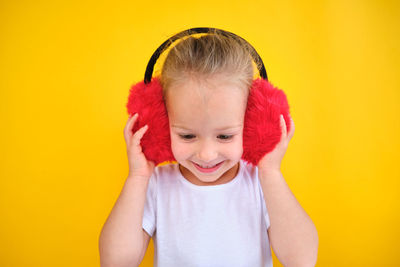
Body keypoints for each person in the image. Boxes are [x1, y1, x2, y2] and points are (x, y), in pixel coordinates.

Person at [99, 30, 319, 267]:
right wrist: (137, 177)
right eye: (187, 135)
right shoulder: (155, 185)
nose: (207, 154)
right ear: (159, 127)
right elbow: (116, 262)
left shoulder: (260, 183)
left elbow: (302, 260)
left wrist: (271, 173)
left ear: (254, 126)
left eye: (224, 136)